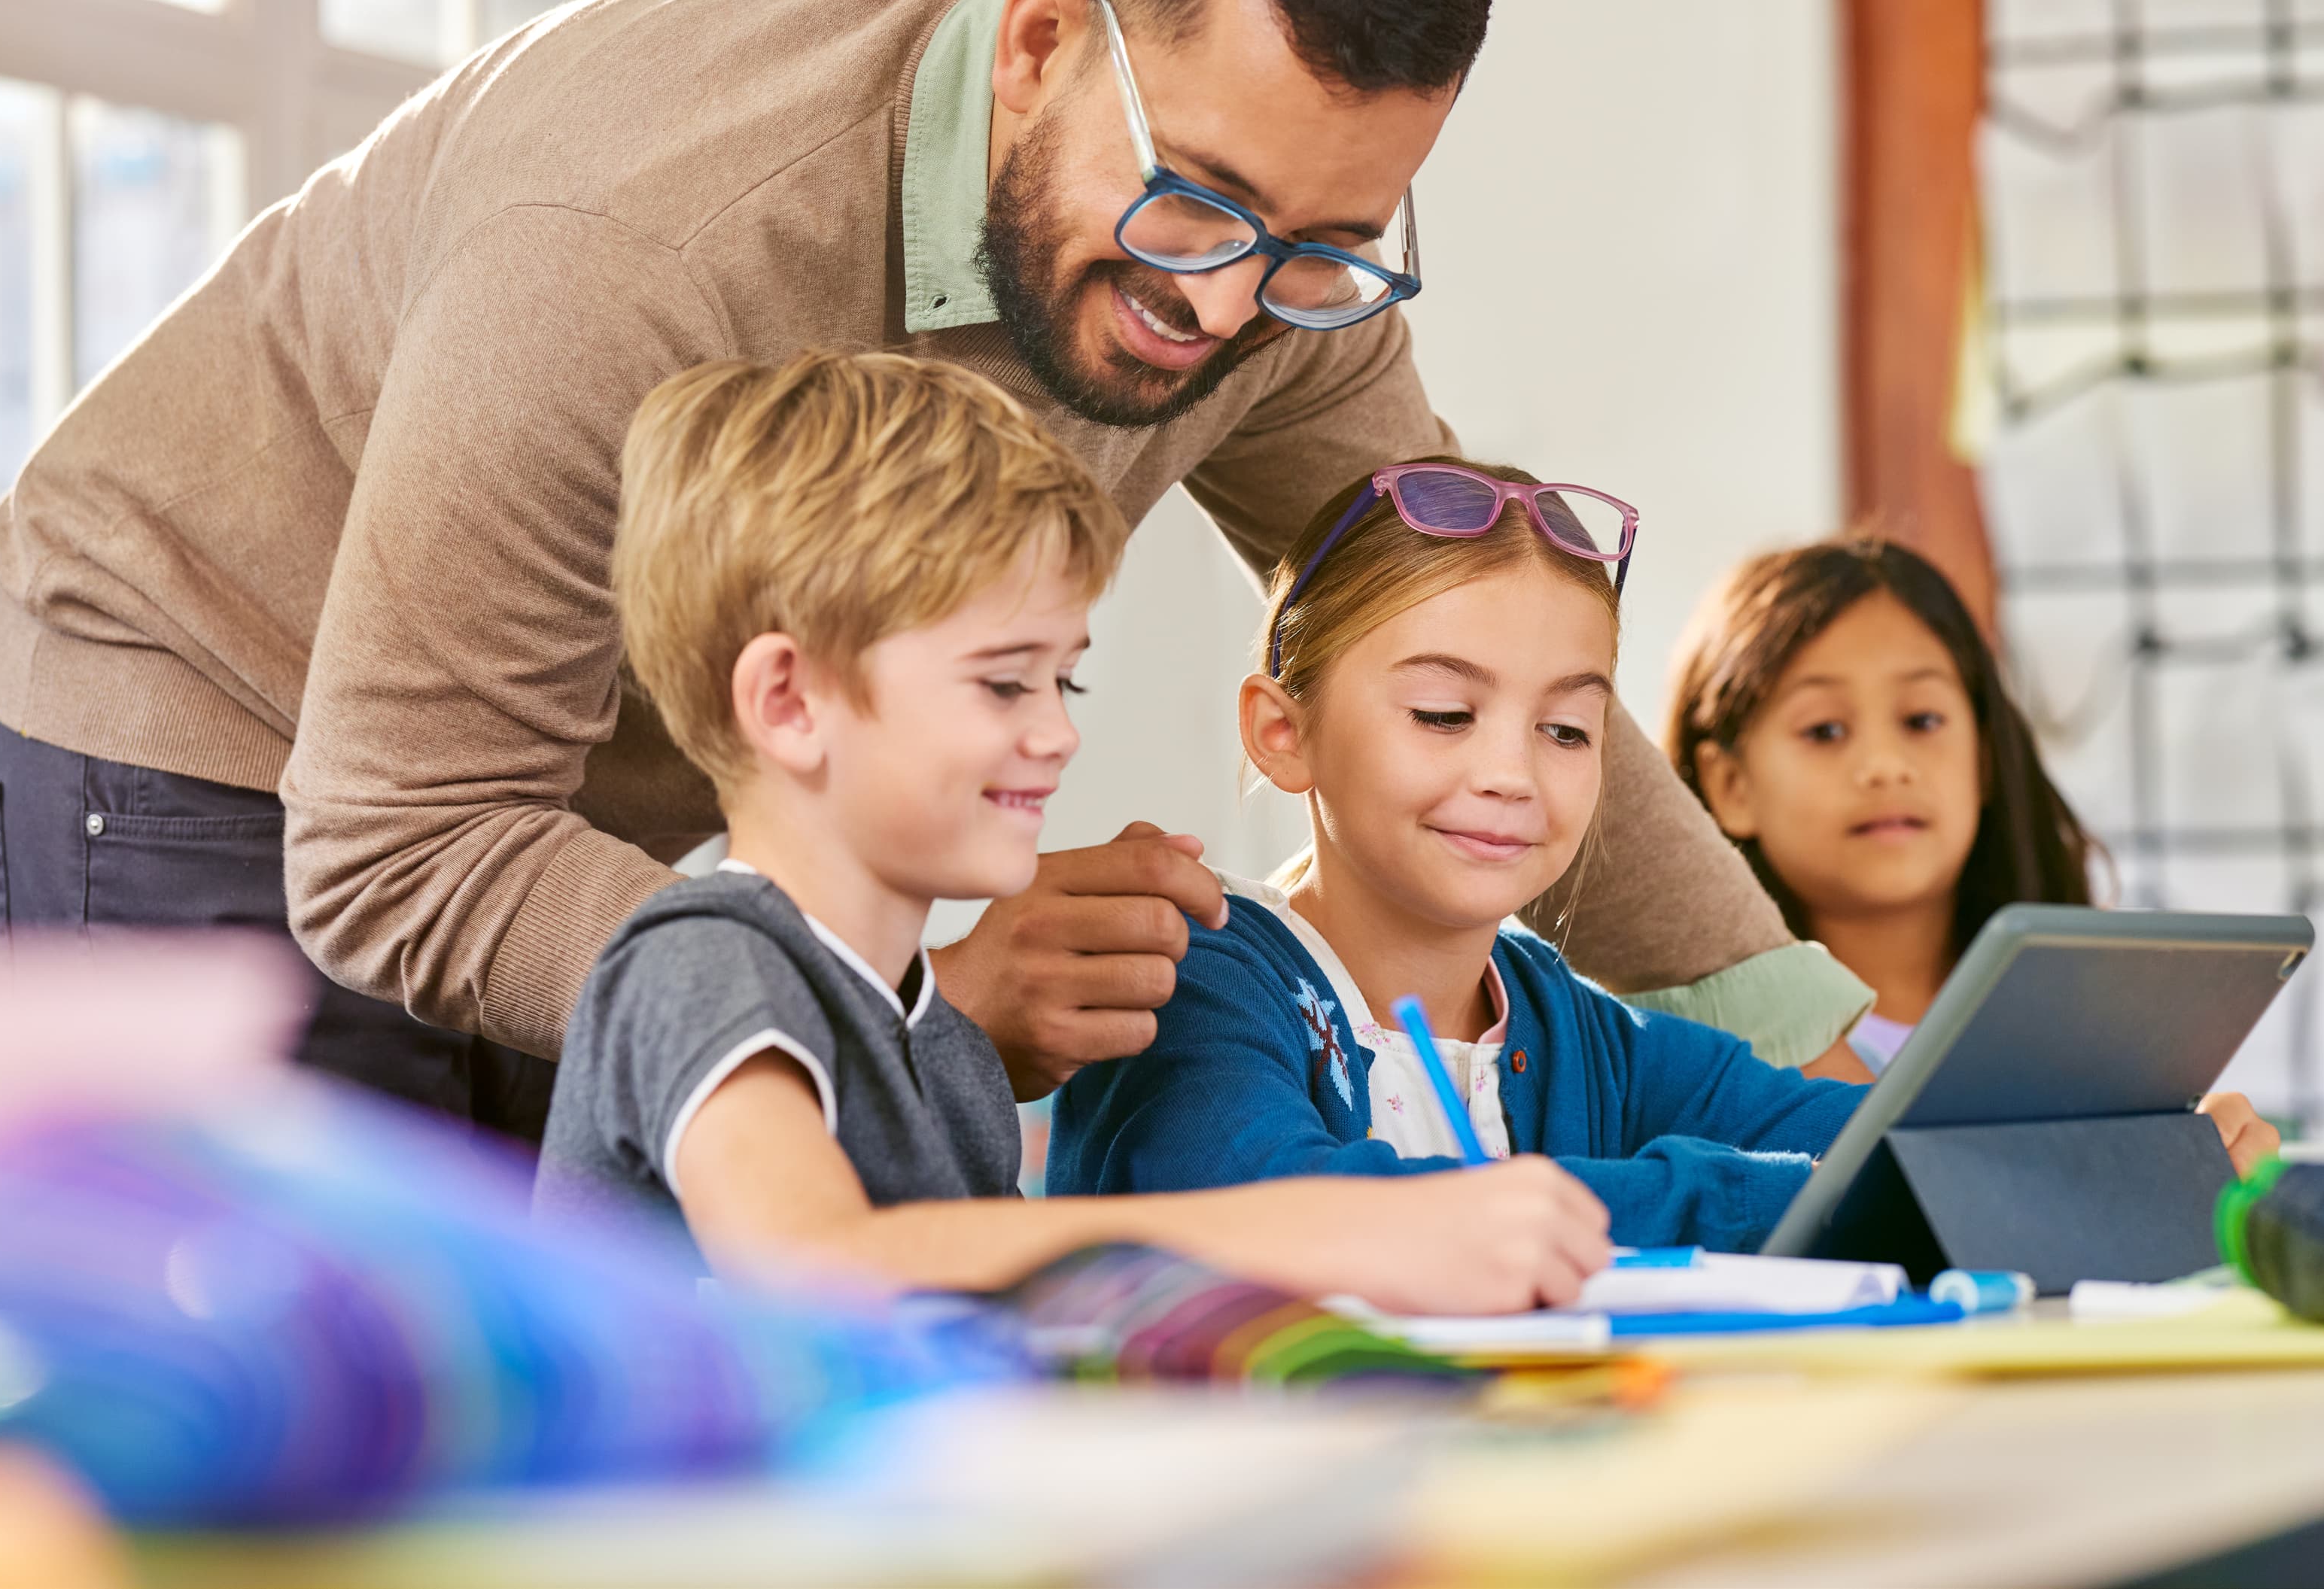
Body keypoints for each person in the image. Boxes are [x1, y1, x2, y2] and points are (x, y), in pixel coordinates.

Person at [0, 0, 1874, 1144]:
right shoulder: (642, 231)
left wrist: (1834, 1049)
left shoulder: (1282, 290)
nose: (1225, 310)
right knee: (341, 1451)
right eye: (1196, 206)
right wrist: (904, 995)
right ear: (1037, 39)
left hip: (575, 804)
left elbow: (1476, 628)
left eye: (1324, 242)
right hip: (215, 714)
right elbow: (400, 840)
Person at [534, 354, 1611, 1311]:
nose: (1056, 732)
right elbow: (823, 1260)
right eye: (1005, 682)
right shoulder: (699, 962)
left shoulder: (943, 1046)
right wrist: (1320, 1229)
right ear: (787, 700)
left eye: (1066, 677)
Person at [1048, 460, 1869, 1253]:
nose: (1511, 775)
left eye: (1566, 729)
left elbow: (1888, 1143)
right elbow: (1284, 1211)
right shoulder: (1190, 978)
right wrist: (1744, 1195)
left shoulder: (1578, 1033)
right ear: (1284, 733)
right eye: (1444, 713)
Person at [1662, 537, 2276, 1170]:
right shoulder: (1711, 1054)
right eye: (1825, 730)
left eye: (1923, 720)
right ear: (1729, 784)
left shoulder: (2096, 1028)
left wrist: (2192, 1168)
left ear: (1984, 755)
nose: (1885, 766)